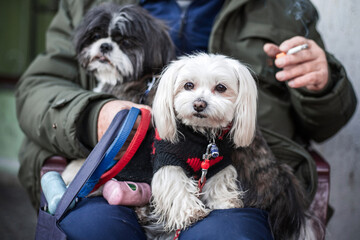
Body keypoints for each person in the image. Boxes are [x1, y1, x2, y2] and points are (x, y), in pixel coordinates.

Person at [15, 0, 357, 239]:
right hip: (116, 175)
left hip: (245, 181)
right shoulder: (82, 4)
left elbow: (326, 123)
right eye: (190, 86)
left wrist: (323, 86)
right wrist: (92, 116)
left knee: (231, 235)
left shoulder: (283, 8)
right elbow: (37, 88)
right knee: (88, 231)